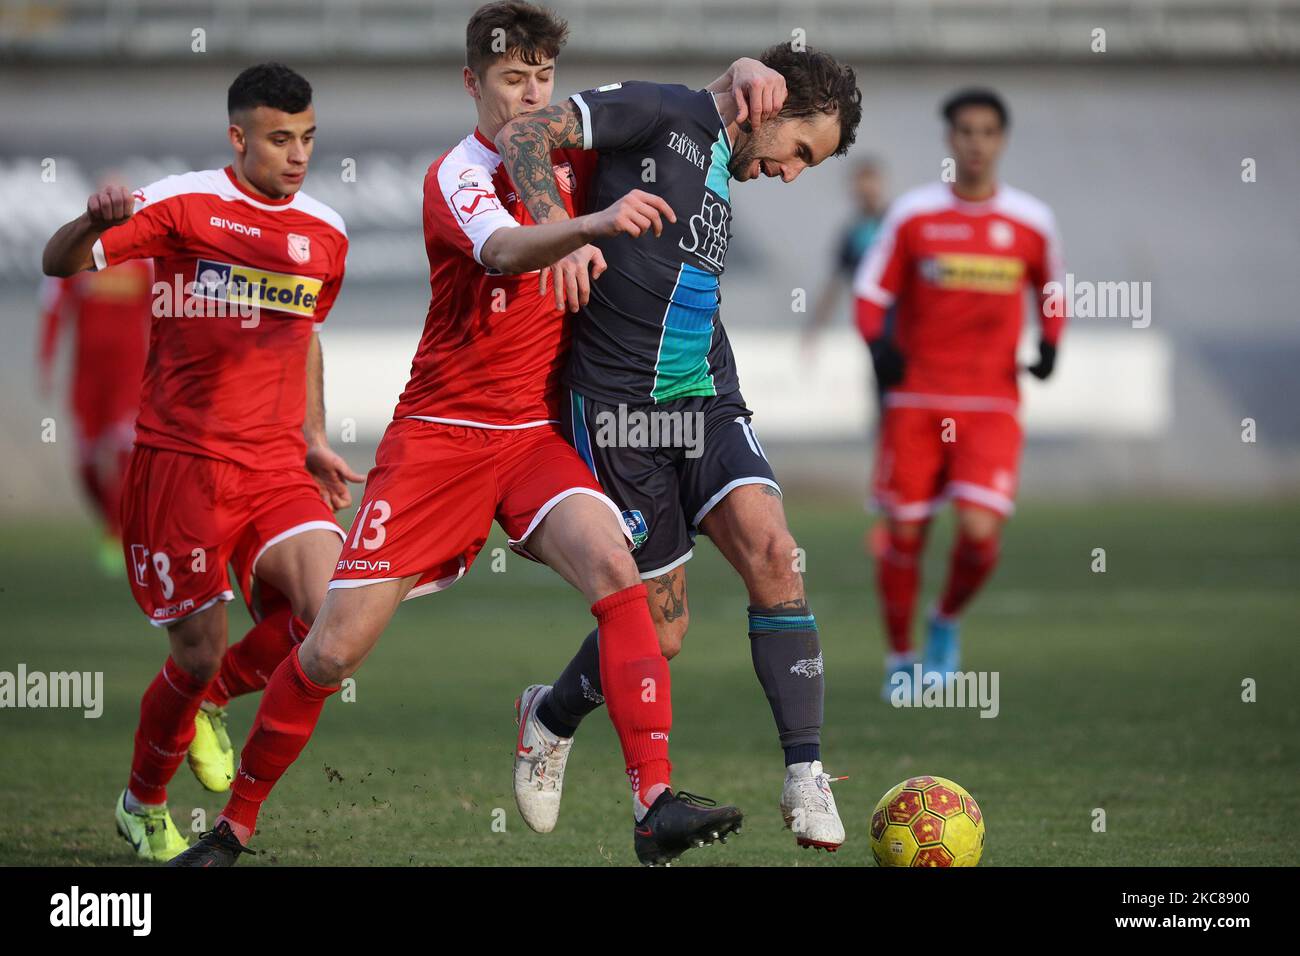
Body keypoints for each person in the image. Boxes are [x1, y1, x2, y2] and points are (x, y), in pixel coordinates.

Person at [169, 1, 785, 868]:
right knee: (333, 648)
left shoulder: (574, 150)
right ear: (474, 83)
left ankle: (653, 803)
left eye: (542, 78)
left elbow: (675, 112)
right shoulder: (454, 175)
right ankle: (232, 830)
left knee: (620, 577)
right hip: (439, 440)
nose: (530, 95)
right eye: (511, 79)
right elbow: (501, 251)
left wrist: (742, 76)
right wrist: (590, 228)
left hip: (532, 436)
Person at [497, 42, 862, 851]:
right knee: (660, 633)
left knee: (774, 550)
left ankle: (805, 778)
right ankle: (549, 715)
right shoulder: (660, 109)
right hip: (623, 417)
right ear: (775, 107)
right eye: (802, 151)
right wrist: (563, 233)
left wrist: (738, 69)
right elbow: (525, 137)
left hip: (705, 400)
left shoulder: (721, 153)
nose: (796, 173)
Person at [41, 62, 361, 860]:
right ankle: (142, 801)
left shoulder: (326, 232)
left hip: (276, 465)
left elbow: (305, 334)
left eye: (309, 138)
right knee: (195, 651)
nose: (297, 155)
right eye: (280, 139)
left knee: (333, 615)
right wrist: (91, 223)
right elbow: (58, 262)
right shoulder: (183, 204)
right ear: (238, 136)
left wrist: (313, 434)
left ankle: (216, 703)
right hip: (182, 464)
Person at [851, 88, 1064, 698]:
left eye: (987, 132)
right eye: (965, 131)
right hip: (917, 401)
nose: (975, 142)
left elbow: (1052, 288)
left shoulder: (1030, 221)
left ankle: (944, 619)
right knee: (905, 536)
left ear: (1001, 140)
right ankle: (901, 660)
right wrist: (878, 345)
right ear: (950, 139)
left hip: (992, 403)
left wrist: (1051, 343)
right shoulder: (915, 214)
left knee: (978, 534)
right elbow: (871, 292)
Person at [36, 226, 152, 574]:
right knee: (85, 463)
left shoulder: (143, 261)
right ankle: (112, 523)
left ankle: (120, 533)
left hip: (129, 376)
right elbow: (54, 310)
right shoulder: (77, 257)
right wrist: (46, 361)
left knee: (122, 455)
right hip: (86, 378)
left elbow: (164, 313)